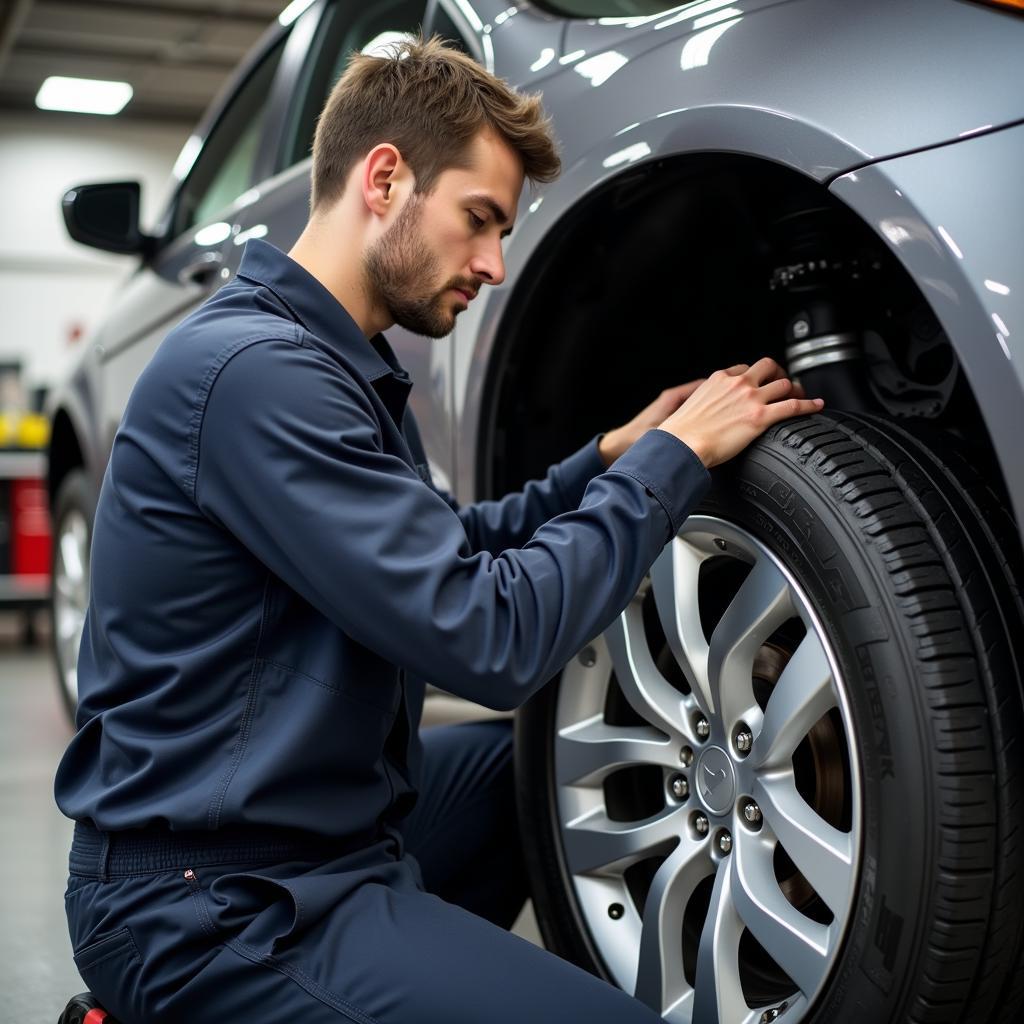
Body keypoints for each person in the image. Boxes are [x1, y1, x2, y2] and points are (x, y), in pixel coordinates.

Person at [54, 36, 823, 1024]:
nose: (496, 264)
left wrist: (608, 460)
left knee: (533, 766)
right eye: (479, 221)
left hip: (329, 834)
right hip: (212, 904)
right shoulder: (255, 375)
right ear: (385, 179)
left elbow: (447, 549)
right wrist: (677, 463)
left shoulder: (338, 369)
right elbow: (486, 634)